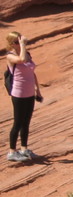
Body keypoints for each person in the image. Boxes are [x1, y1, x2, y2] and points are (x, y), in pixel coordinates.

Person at [5, 31, 43, 162]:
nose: (19, 43)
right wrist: (22, 45)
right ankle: (11, 152)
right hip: (19, 93)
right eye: (16, 42)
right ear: (11, 44)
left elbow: (32, 72)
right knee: (18, 123)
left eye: (19, 40)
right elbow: (21, 60)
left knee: (26, 122)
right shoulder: (10, 56)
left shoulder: (27, 54)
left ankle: (24, 149)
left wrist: (37, 89)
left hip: (29, 93)